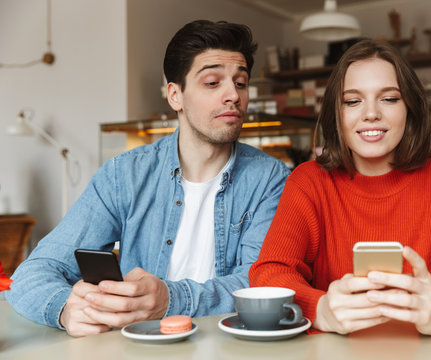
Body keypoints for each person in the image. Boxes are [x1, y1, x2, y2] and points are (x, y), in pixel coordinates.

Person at [7, 20, 290, 337]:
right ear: (175, 96)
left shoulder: (272, 179)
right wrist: (67, 309)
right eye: (212, 82)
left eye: (240, 83)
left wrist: (169, 299)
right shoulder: (124, 175)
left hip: (230, 346)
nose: (232, 95)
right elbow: (33, 273)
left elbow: (261, 283)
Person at [249, 38, 431, 339]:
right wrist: (319, 308)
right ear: (337, 114)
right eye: (352, 101)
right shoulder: (308, 182)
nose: (371, 113)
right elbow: (267, 276)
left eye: (389, 98)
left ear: (410, 109)